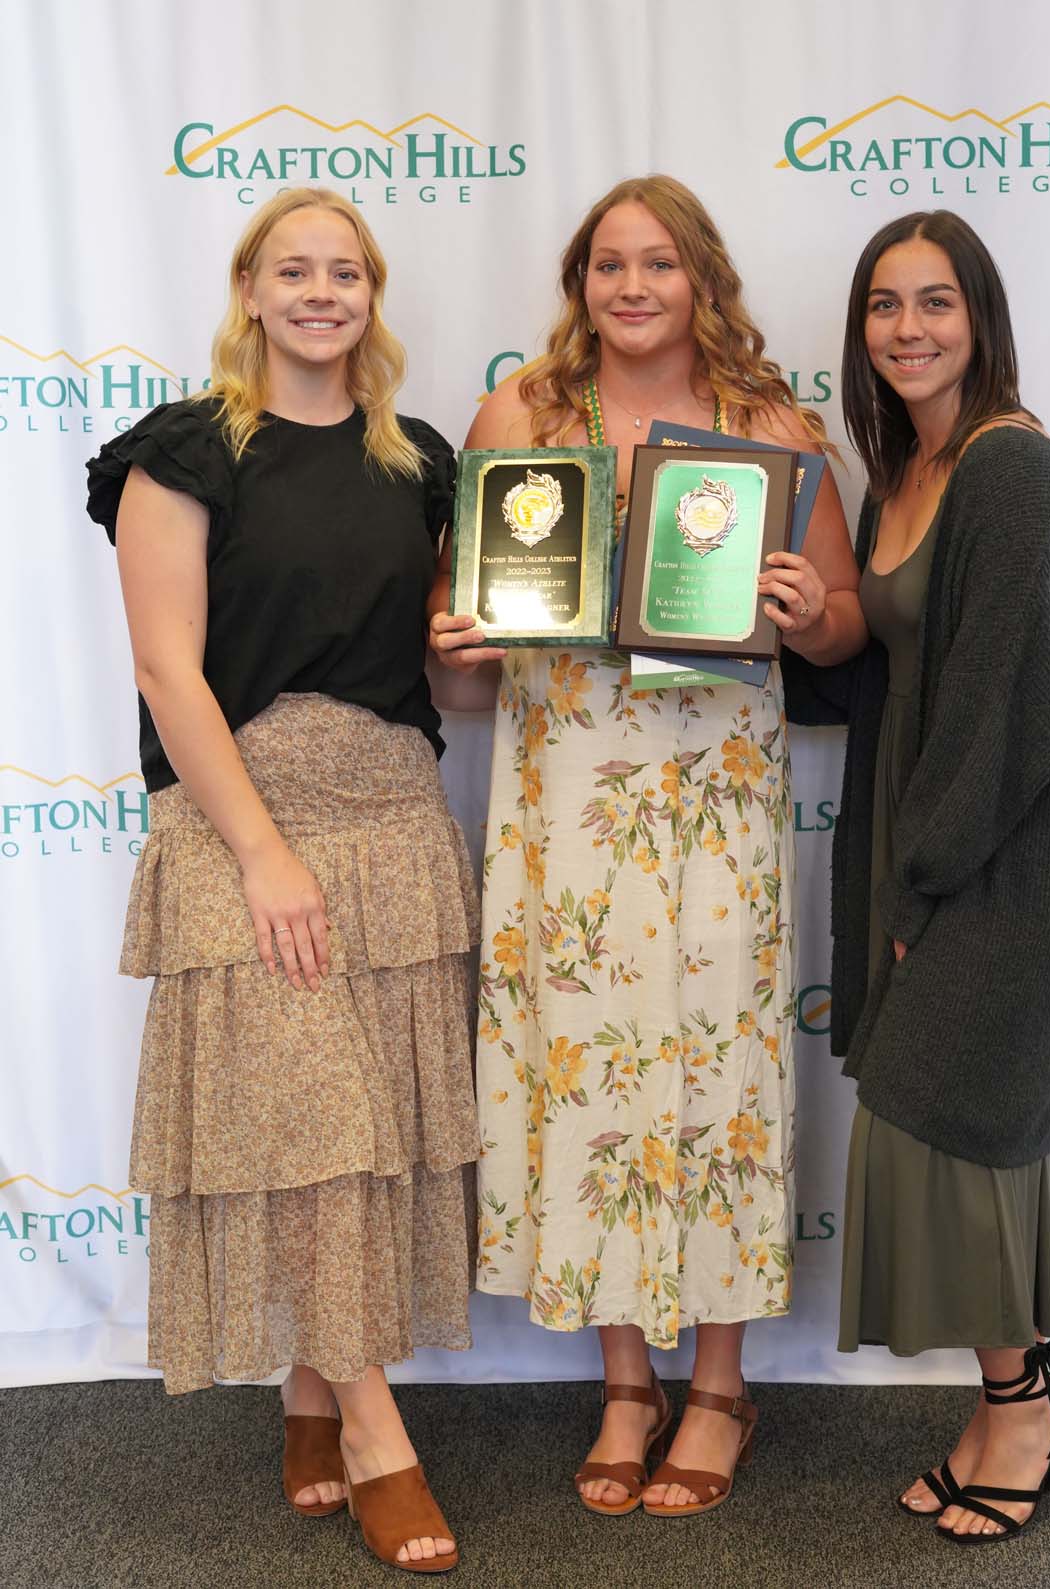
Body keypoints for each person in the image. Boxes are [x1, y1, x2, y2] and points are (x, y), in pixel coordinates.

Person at [429, 174, 865, 1517]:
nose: (631, 285)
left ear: (701, 282)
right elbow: (461, 684)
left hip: (716, 804)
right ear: (578, 283)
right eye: (607, 263)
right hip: (564, 798)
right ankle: (628, 1377)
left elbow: (847, 628)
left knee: (718, 1069)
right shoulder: (516, 420)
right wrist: (457, 648)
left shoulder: (771, 427)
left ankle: (721, 1379)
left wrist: (806, 608)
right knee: (587, 1073)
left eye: (658, 263)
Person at [86, 187, 476, 1573]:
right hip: (246, 826)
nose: (323, 292)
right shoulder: (185, 450)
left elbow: (442, 674)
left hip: (393, 818)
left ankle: (310, 1393)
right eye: (294, 270)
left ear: (373, 293)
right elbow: (163, 667)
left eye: (348, 271)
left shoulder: (418, 458)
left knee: (364, 1138)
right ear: (250, 289)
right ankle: (373, 1428)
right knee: (311, 1127)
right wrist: (261, 854)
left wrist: (481, 644)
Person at [832, 210, 1050, 1545]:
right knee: (953, 1129)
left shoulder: (1010, 469)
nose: (908, 328)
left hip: (1006, 853)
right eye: (885, 305)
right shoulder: (907, 470)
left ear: (982, 316)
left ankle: (1020, 1408)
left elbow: (1009, 710)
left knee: (965, 1129)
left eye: (935, 301)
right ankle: (1033, 1388)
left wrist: (921, 886)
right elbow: (894, 666)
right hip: (928, 838)